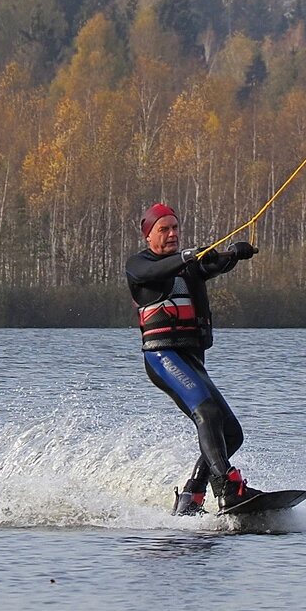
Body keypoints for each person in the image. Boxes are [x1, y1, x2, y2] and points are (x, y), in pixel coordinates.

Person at [125, 203, 261, 515]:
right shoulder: (139, 265)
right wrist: (186, 255)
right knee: (209, 413)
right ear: (149, 236)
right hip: (163, 356)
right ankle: (228, 487)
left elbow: (209, 265)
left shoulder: (187, 266)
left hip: (191, 359)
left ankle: (191, 497)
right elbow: (155, 271)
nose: (172, 233)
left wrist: (234, 254)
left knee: (231, 433)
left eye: (175, 228)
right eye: (164, 229)